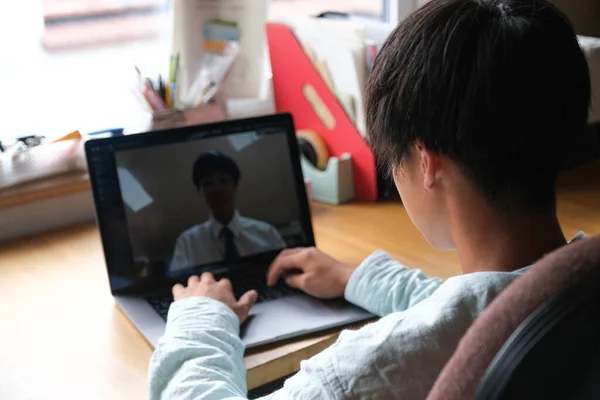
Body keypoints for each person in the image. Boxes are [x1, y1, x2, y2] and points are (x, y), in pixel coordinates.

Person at [150, 0, 590, 398]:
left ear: (426, 161)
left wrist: (200, 318)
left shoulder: (365, 373)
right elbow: (486, 302)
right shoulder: (579, 282)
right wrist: (357, 278)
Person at [169, 151, 286, 272]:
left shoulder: (267, 233)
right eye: (208, 183)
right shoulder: (187, 243)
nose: (217, 189)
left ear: (235, 185)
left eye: (224, 180)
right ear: (200, 191)